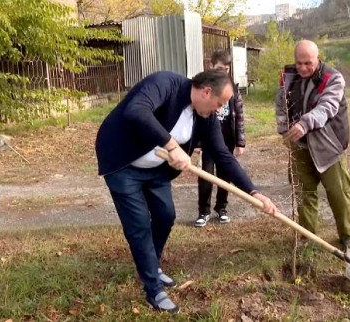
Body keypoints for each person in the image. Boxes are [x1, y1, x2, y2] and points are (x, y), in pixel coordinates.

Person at [95, 70, 278, 313]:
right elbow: (136, 110)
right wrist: (172, 145)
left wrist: (254, 192)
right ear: (206, 91)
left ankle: (149, 266)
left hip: (156, 170)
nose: (219, 110)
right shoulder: (166, 84)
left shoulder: (206, 118)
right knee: (138, 225)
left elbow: (223, 156)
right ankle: (153, 290)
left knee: (165, 215)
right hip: (123, 163)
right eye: (220, 103)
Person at [275, 40, 350, 253]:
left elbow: (327, 107)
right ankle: (307, 236)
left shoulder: (333, 78)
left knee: (338, 194)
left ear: (318, 59)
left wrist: (305, 122)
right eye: (299, 62)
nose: (302, 68)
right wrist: (284, 130)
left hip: (329, 147)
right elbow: (281, 106)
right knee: (304, 193)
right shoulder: (288, 77)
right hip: (300, 146)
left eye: (308, 63)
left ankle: (348, 237)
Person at [195, 50, 246, 227]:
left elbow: (239, 115)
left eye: (226, 69)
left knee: (225, 176)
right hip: (209, 142)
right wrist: (198, 142)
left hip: (227, 140)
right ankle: (203, 211)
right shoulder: (204, 87)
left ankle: (222, 208)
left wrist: (240, 142)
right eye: (219, 68)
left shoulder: (233, 88)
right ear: (211, 66)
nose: (223, 72)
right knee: (206, 176)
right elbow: (197, 116)